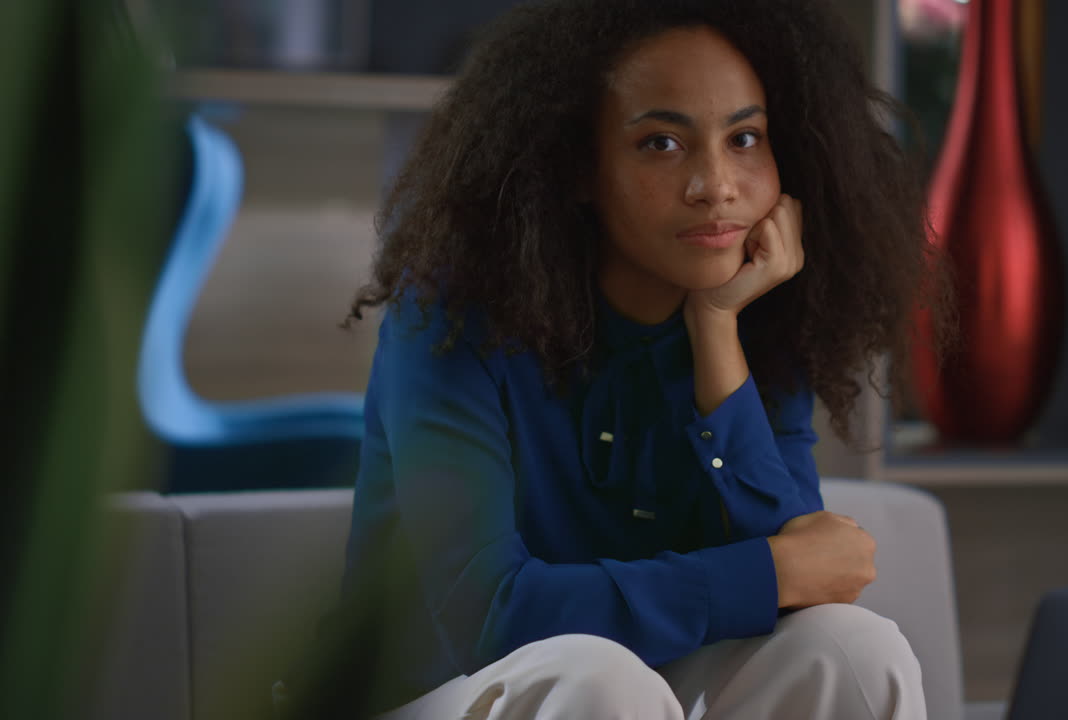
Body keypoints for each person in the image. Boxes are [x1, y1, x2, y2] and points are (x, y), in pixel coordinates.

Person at [320, 0, 954, 717]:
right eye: (662, 143)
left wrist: (716, 333)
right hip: (435, 697)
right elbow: (489, 616)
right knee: (598, 679)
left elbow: (801, 577)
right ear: (579, 166)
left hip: (644, 695)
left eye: (745, 138)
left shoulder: (757, 323)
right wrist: (766, 574)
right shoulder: (446, 320)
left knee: (851, 647)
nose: (716, 184)